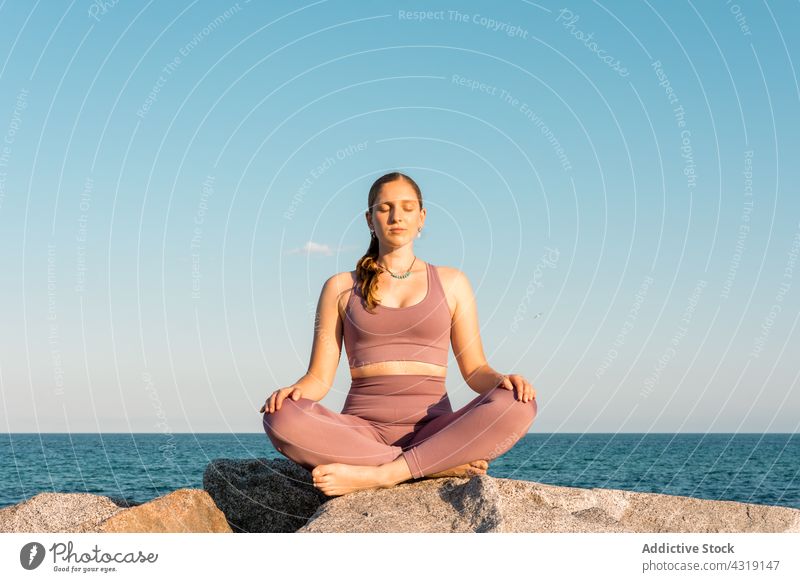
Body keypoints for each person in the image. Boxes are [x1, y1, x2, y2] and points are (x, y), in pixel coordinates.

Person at [261, 172, 538, 497]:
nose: (396, 216)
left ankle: (386, 473)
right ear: (369, 218)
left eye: (407, 207)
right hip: (361, 433)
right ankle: (432, 466)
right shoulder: (340, 287)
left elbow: (475, 370)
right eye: (385, 208)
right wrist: (294, 391)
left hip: (436, 431)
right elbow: (319, 378)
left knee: (519, 404)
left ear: (421, 218)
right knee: (279, 417)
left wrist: (503, 380)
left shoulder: (452, 283)